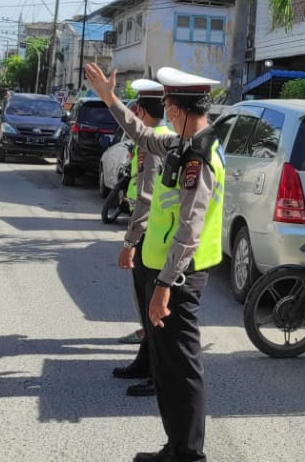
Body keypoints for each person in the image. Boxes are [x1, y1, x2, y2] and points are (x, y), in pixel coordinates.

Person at [84, 63, 223, 462]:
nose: (164, 111)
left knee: (180, 368)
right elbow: (142, 133)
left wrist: (164, 286)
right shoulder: (183, 143)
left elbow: (190, 229)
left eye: (167, 104)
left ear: (177, 111)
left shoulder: (199, 155)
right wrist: (109, 99)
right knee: (167, 366)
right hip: (168, 272)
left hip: (178, 277)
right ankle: (176, 446)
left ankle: (187, 454)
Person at [111, 81, 171, 398]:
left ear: (142, 112)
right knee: (146, 302)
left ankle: (157, 373)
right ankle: (144, 361)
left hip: (151, 234)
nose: (133, 112)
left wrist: (130, 242)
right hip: (151, 231)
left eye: (136, 108)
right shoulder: (156, 139)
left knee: (152, 306)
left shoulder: (153, 144)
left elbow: (147, 197)